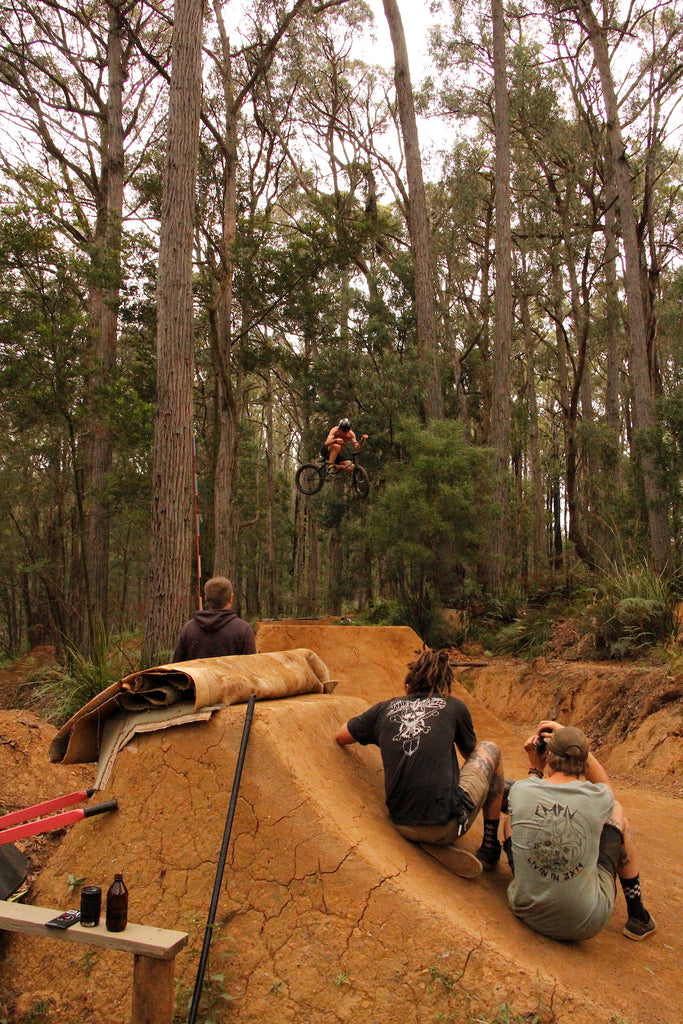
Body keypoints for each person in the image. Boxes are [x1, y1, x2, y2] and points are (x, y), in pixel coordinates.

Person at [334, 648, 505, 878]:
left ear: (407, 686)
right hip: (447, 825)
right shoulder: (453, 706)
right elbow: (470, 755)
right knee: (490, 749)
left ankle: (426, 840)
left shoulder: (383, 709)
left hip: (401, 823)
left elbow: (341, 736)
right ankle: (490, 847)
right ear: (443, 686)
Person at [504, 719, 656, 942]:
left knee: (510, 821)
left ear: (548, 756)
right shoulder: (598, 798)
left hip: (526, 910)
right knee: (617, 812)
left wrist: (535, 767)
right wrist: (573, 739)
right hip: (585, 923)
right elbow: (607, 790)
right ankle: (637, 915)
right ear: (583, 762)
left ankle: (526, 880)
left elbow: (528, 786)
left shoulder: (522, 790)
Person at [173, 576, 256, 663]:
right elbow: (250, 668)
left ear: (206, 598)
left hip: (198, 677)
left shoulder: (189, 628)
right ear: (231, 598)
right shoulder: (243, 629)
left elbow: (176, 667)